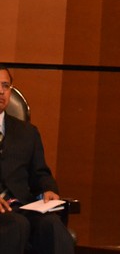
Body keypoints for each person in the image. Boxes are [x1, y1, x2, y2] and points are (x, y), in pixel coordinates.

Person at [0, 65, 74, 254]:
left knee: (51, 225)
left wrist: (48, 189)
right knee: (17, 225)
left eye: (5, 86)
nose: (1, 91)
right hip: (7, 216)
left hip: (22, 206)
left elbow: (40, 173)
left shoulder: (27, 132)